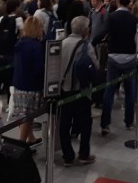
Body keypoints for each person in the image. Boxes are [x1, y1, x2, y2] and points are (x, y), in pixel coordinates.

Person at [95, 0, 138, 135]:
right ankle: (129, 122)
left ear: (118, 0)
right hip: (130, 58)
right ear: (129, 2)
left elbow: (101, 33)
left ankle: (105, 124)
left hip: (113, 57)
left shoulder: (111, 17)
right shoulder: (134, 19)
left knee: (109, 91)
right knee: (129, 91)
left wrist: (91, 43)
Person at [59, 16, 98, 167]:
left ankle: (67, 156)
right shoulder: (86, 46)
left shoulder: (61, 43)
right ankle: (83, 153)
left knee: (64, 123)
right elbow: (94, 65)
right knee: (85, 123)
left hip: (64, 90)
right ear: (85, 30)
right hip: (81, 91)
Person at [12, 16, 45, 146]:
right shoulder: (37, 46)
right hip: (32, 86)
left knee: (22, 114)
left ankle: (31, 138)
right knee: (29, 117)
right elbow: (38, 68)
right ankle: (21, 145)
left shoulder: (19, 43)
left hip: (19, 83)